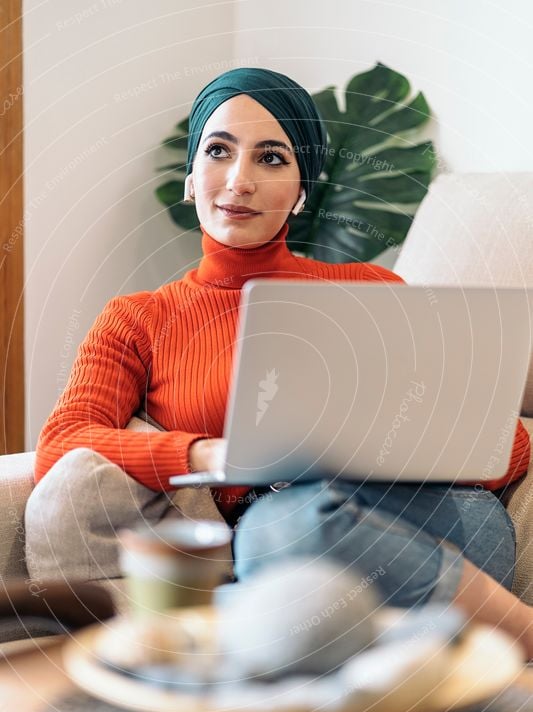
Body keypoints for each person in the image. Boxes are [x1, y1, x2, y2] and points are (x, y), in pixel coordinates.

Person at [28, 67, 533, 657]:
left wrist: (392, 447)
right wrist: (206, 453)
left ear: (301, 191)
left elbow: (509, 447)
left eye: (271, 159)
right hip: (278, 542)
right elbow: (63, 443)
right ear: (191, 177)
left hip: (431, 523)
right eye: (218, 151)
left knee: (286, 533)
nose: (239, 180)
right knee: (279, 529)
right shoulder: (139, 319)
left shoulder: (373, 290)